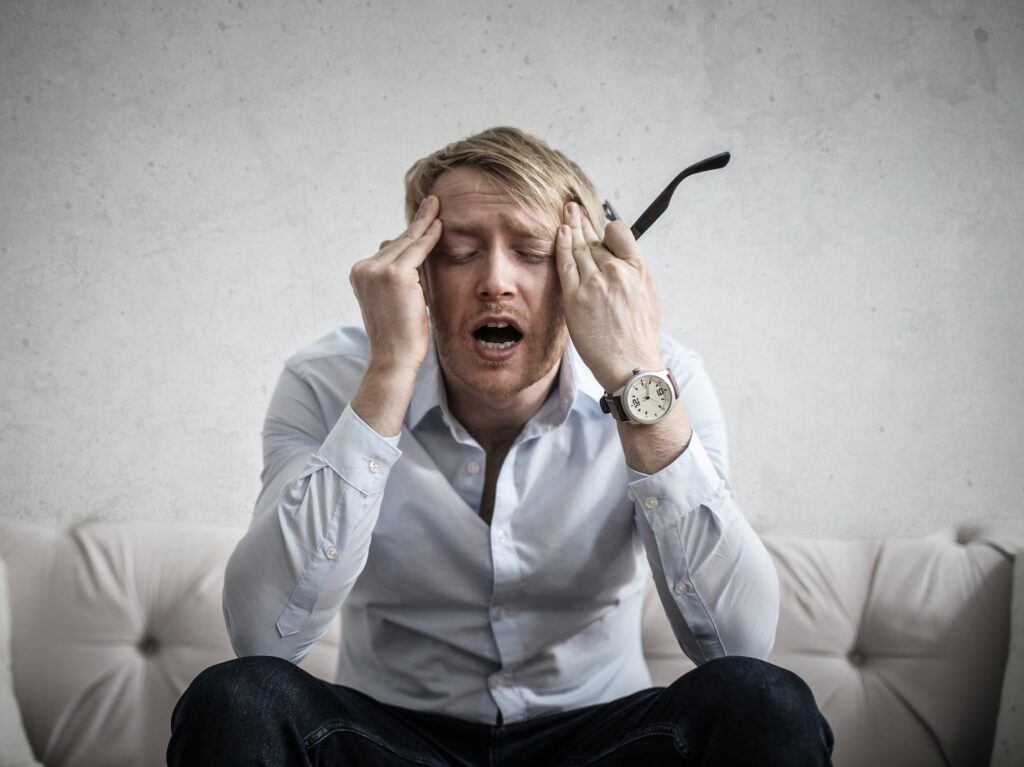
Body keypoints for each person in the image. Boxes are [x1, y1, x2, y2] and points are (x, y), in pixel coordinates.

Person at [168, 127, 833, 765]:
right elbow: (262, 637)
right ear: (418, 275)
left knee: (763, 702)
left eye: (534, 252)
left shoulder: (663, 380)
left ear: (585, 273)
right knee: (237, 699)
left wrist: (636, 383)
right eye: (459, 252)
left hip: (599, 740)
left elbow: (739, 645)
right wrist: (388, 372)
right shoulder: (325, 380)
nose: (495, 281)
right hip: (390, 739)